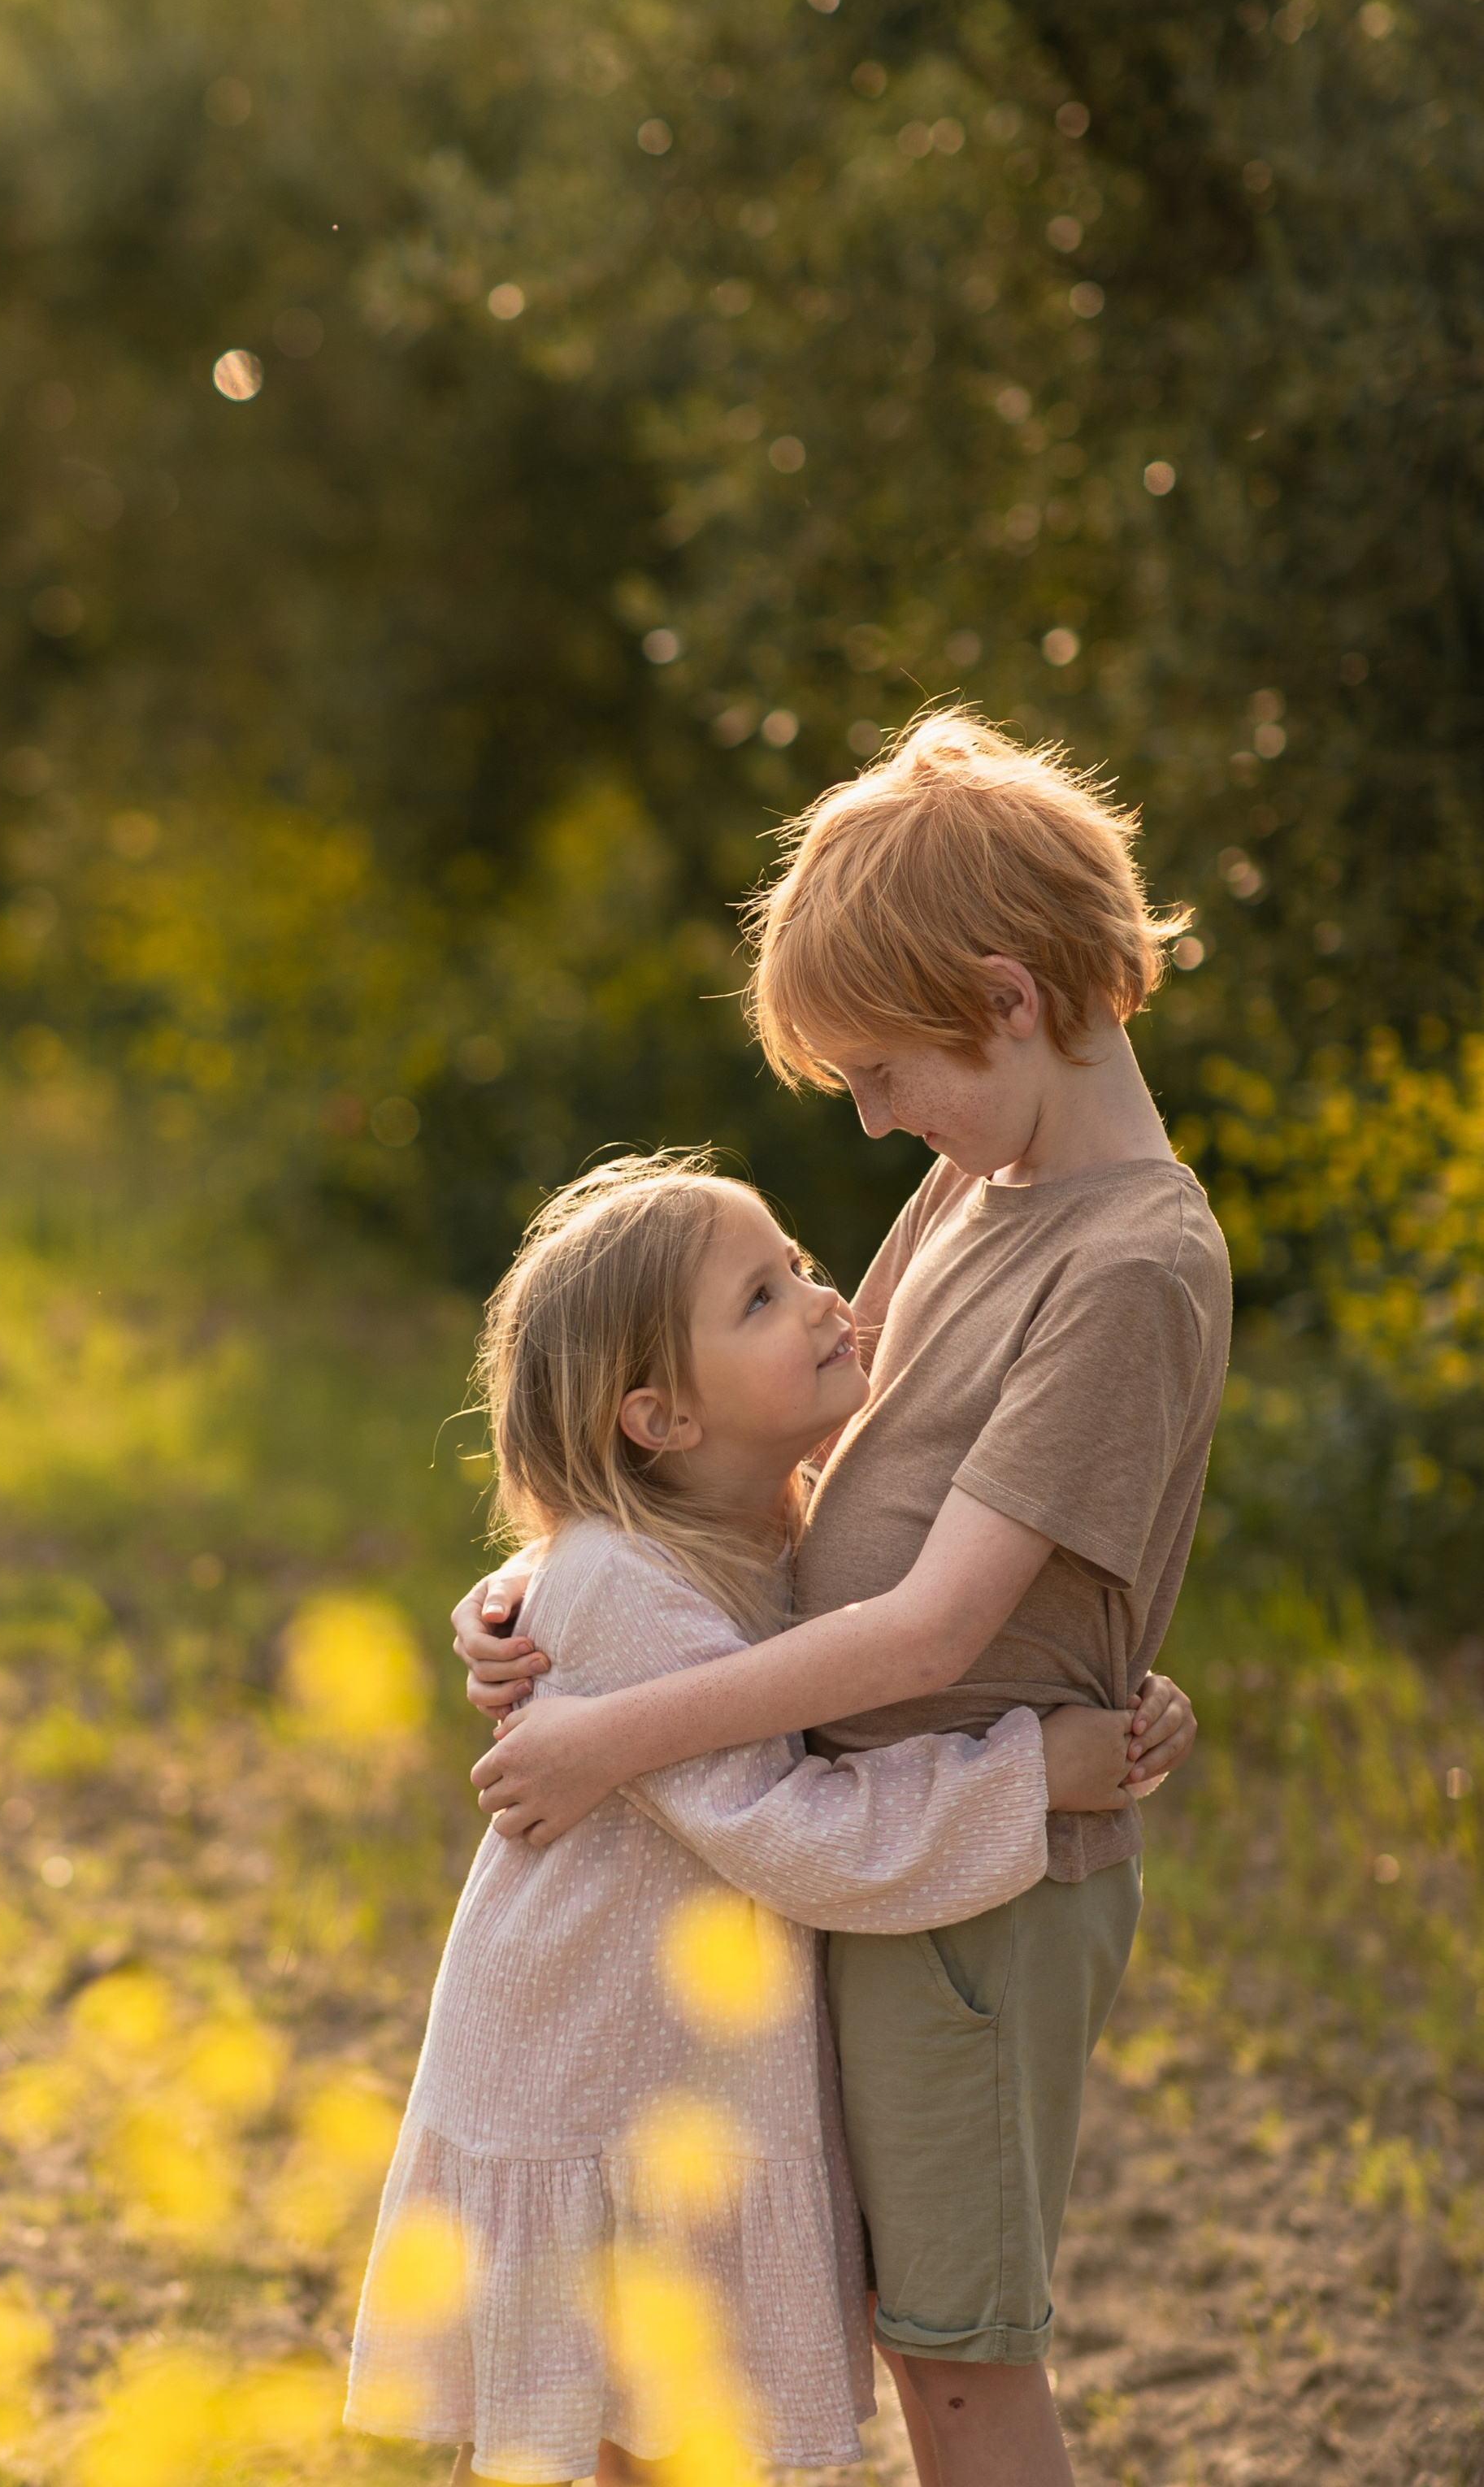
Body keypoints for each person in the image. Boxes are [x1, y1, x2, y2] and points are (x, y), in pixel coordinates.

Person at [454, 711, 1230, 2487]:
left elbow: (927, 1631)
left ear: (1008, 996)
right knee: (894, 2331)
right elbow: (790, 1446)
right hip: (881, 1843)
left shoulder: (1127, 1261)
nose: (873, 1121)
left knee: (958, 2361)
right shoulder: (981, 1176)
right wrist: (532, 1601)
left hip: (966, 1873)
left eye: (883, 1071)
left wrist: (598, 1740)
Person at [345, 1149, 1191, 2486]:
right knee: (587, 2446)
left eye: (797, 1262)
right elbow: (798, 1834)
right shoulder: (620, 1589)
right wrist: (1033, 1774)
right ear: (659, 1419)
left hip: (655, 2071)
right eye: (759, 1296)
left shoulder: (756, 1539)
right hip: (594, 2084)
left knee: (636, 2438)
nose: (822, 1296)